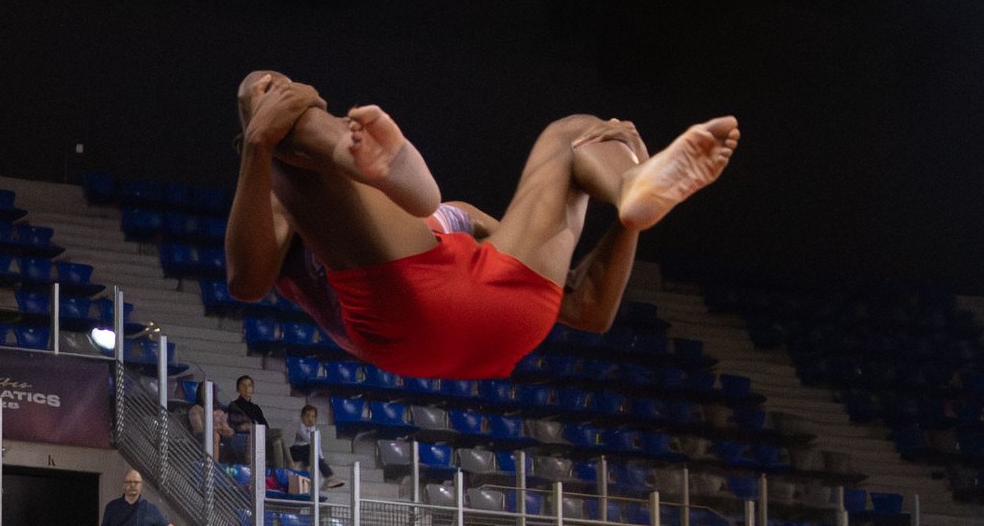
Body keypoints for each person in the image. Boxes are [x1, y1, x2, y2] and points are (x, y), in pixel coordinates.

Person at [226, 70, 738, 377]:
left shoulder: (460, 219)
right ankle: (379, 164)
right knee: (290, 153)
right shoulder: (277, 189)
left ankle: (631, 186)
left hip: (495, 309)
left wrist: (631, 223)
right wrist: (258, 147)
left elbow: (584, 307)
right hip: (416, 317)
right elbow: (247, 283)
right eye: (265, 90)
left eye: (284, 85)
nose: (280, 87)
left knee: (577, 133)